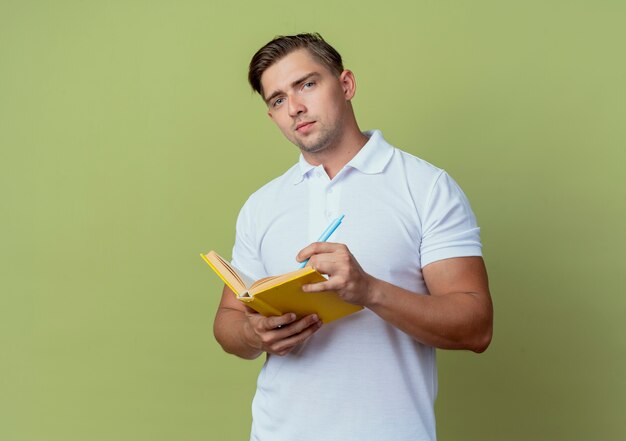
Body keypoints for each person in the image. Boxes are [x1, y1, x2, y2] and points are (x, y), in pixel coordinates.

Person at [213, 33, 493, 441]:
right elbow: (228, 321)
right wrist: (252, 334)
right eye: (277, 100)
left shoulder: (426, 187)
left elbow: (476, 327)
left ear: (345, 85)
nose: (295, 107)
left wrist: (368, 290)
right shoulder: (262, 204)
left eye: (307, 84)